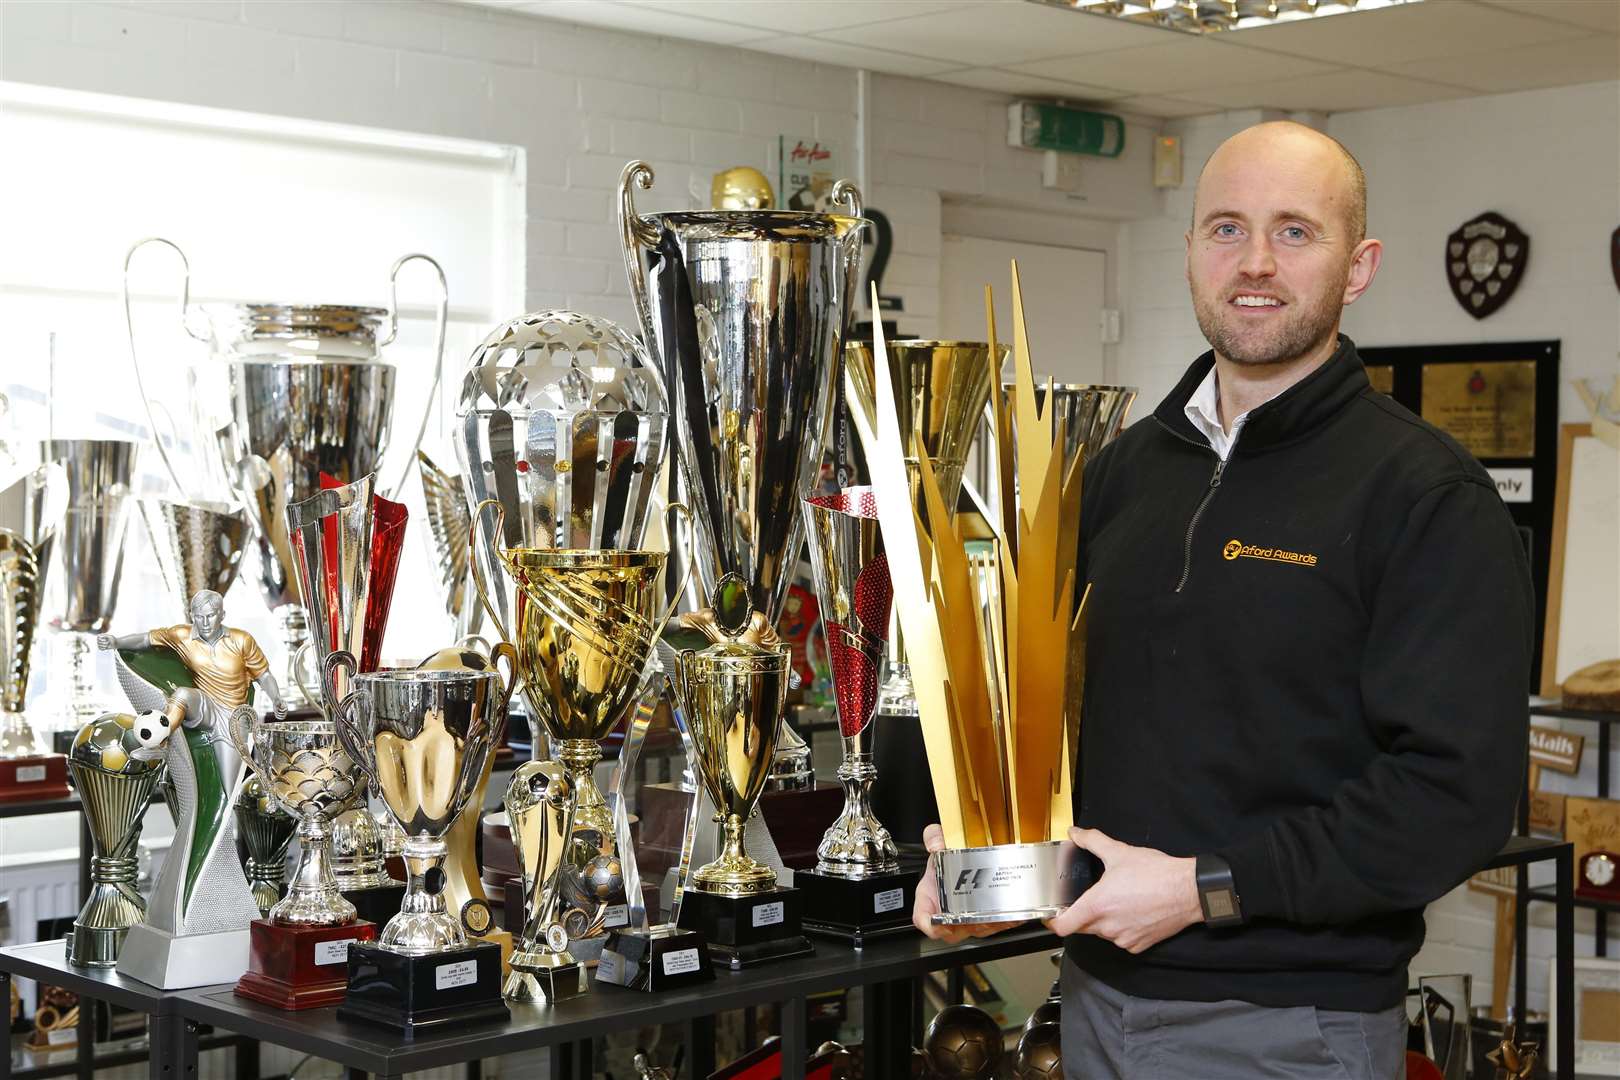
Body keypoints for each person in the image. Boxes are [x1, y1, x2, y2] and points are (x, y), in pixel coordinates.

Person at [913, 121, 1532, 1079]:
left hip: (1286, 1027)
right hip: (1095, 1002)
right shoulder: (1122, 473)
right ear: (1191, 250)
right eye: (1225, 229)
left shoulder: (1423, 493)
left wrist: (1209, 890)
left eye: (1295, 232)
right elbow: (1056, 715)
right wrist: (981, 847)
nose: (1254, 263)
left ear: (1357, 265)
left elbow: (1456, 796)